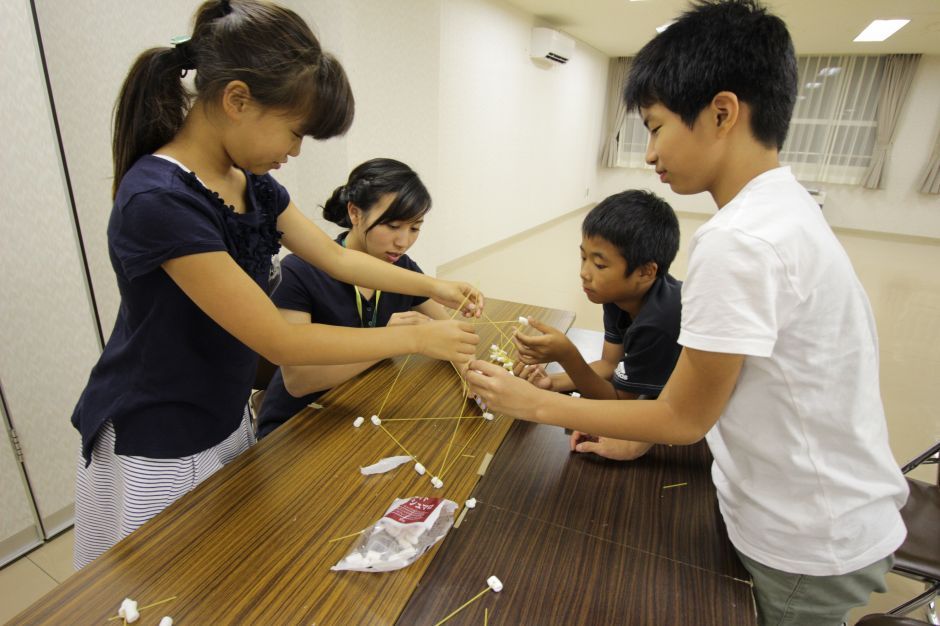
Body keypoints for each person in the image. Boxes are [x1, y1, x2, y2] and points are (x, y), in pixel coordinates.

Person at [467, 1, 908, 624]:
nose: (649, 154)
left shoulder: (741, 240)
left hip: (808, 539)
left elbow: (682, 416)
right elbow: (705, 399)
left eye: (655, 126)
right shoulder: (782, 210)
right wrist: (636, 435)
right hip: (814, 512)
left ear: (722, 113)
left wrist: (530, 403)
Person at [70, 0, 482, 569]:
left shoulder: (253, 183)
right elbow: (279, 342)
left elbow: (338, 261)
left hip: (221, 409)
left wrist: (436, 289)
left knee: (220, 569)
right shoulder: (160, 200)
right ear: (237, 100)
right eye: (294, 133)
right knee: (165, 578)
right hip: (160, 430)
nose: (294, 151)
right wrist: (413, 338)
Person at [256, 158, 457, 438]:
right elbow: (299, 380)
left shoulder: (402, 267)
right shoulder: (299, 271)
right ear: (355, 213)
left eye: (414, 228)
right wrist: (392, 341)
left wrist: (469, 369)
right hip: (299, 425)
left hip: (365, 409)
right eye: (393, 225)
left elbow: (447, 329)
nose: (403, 241)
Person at [513, 190, 682, 461]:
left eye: (600, 264)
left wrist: (566, 354)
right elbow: (609, 364)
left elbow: (617, 404)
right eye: (583, 257)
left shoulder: (659, 322)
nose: (584, 272)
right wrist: (552, 382)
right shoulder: (617, 295)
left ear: (646, 272)